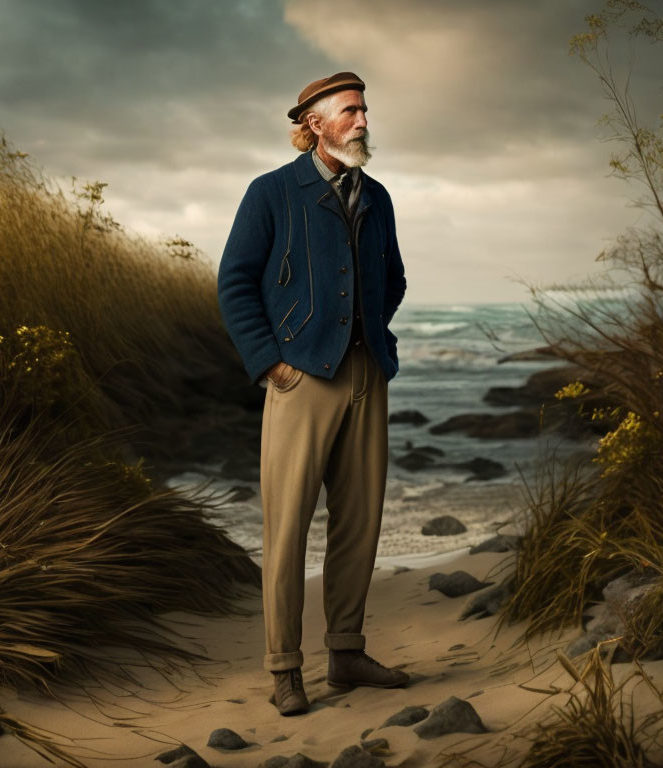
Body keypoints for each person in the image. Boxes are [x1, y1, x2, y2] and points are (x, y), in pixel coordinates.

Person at [217, 71, 408, 716]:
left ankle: (347, 654)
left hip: (366, 377)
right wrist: (272, 364)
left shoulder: (376, 197)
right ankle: (284, 669)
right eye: (349, 112)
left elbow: (396, 279)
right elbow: (235, 283)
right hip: (300, 380)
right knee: (288, 529)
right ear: (315, 123)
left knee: (360, 524)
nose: (361, 121)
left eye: (363, 110)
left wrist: (370, 335)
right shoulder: (271, 192)